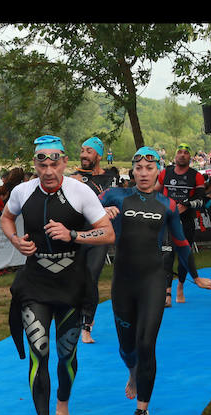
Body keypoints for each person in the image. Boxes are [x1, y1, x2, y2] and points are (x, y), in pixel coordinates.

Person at [0, 135, 115, 415]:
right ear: (34, 163)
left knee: (66, 355)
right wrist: (15, 240)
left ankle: (63, 402)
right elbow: (7, 217)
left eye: (54, 163)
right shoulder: (22, 191)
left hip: (70, 286)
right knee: (40, 352)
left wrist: (72, 234)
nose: (48, 170)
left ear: (64, 162)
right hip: (35, 284)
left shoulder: (81, 192)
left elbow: (108, 233)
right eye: (42, 163)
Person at [99, 147, 211, 415]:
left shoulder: (167, 205)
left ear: (158, 172)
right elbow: (83, 209)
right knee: (127, 349)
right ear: (132, 171)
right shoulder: (115, 196)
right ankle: (132, 371)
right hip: (122, 283)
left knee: (146, 344)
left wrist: (197, 277)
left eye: (149, 169)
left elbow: (181, 243)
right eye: (138, 168)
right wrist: (101, 213)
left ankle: (141, 413)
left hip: (153, 281)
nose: (143, 173)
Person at [71, 137, 117, 342]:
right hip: (78, 235)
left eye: (88, 151)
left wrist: (109, 209)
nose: (83, 155)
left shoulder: (111, 178)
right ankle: (76, 316)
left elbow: (117, 202)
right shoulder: (73, 178)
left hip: (99, 235)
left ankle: (86, 324)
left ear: (98, 155)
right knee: (76, 280)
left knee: (91, 277)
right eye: (82, 150)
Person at [157, 144, 207, 306]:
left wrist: (187, 204)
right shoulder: (166, 173)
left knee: (184, 256)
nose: (183, 155)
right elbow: (155, 192)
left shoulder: (196, 176)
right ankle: (167, 294)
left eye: (186, 153)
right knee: (167, 256)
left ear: (190, 157)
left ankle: (180, 286)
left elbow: (201, 201)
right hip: (168, 221)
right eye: (180, 152)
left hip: (186, 221)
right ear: (175, 155)